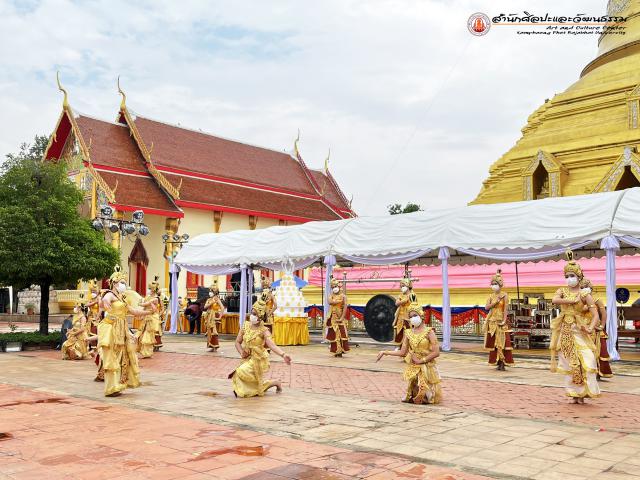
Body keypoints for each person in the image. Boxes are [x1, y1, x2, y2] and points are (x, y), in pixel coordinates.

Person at [550, 252, 601, 404]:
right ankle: (574, 393)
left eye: (572, 275)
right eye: (567, 276)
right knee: (569, 362)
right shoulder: (562, 291)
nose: (569, 279)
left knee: (588, 360)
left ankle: (585, 392)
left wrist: (591, 328)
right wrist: (571, 301)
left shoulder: (585, 294)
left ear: (579, 277)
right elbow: (554, 300)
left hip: (580, 330)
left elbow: (595, 314)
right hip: (565, 330)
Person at [98, 266, 150, 397]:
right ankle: (111, 388)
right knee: (111, 357)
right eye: (121, 282)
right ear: (114, 283)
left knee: (122, 357)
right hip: (111, 328)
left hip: (122, 330)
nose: (124, 285)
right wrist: (104, 300)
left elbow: (134, 311)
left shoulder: (122, 298)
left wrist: (149, 312)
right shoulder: (109, 294)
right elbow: (105, 300)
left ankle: (117, 385)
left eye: (125, 283)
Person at [377, 305, 442, 404]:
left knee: (426, 398)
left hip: (426, 364)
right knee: (415, 396)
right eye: (410, 317)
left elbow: (436, 352)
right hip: (414, 365)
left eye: (415, 316)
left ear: (421, 316)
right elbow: (402, 352)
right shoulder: (408, 333)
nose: (412, 319)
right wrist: (385, 352)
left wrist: (421, 360)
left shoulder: (429, 332)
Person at [229, 300, 292, 397]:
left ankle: (245, 390)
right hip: (247, 357)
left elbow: (272, 345)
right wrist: (241, 352)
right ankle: (275, 382)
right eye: (252, 313)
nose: (252, 315)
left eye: (255, 314)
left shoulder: (264, 330)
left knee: (240, 371)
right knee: (256, 384)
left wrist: (283, 354)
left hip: (258, 359)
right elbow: (237, 342)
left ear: (260, 317)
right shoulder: (245, 326)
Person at [579, 278, 613, 379]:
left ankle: (597, 372)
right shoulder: (579, 302)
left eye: (586, 287)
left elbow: (604, 314)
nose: (584, 289)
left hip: (595, 330)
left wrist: (602, 326)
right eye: (582, 288)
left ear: (591, 288)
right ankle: (584, 372)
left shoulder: (596, 300)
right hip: (583, 330)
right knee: (584, 352)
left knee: (597, 352)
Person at [483, 269, 514, 370]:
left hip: (501, 322)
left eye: (495, 283)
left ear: (500, 284)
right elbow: (486, 307)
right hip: (492, 322)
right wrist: (494, 303)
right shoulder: (491, 296)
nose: (493, 285)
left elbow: (505, 309)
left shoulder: (504, 295)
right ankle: (496, 360)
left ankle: (503, 362)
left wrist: (504, 320)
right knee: (494, 343)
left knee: (503, 342)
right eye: (492, 284)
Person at [325, 278, 350, 357]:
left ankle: (341, 350)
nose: (334, 288)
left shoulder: (343, 296)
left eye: (335, 286)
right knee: (334, 334)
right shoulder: (331, 295)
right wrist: (338, 301)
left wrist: (342, 317)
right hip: (332, 318)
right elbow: (330, 302)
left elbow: (345, 307)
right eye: (332, 287)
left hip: (340, 317)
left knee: (342, 334)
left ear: (339, 286)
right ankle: (336, 350)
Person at [136, 278, 160, 359]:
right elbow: (144, 307)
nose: (148, 290)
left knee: (148, 334)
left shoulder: (155, 298)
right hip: (146, 317)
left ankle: (147, 352)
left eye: (149, 288)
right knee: (142, 333)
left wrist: (140, 303)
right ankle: (143, 350)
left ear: (153, 289)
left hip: (151, 318)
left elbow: (145, 304)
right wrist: (140, 314)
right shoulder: (148, 297)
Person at [393, 278, 416, 345]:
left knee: (409, 330)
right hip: (400, 316)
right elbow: (396, 303)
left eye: (403, 286)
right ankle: (399, 346)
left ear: (408, 285)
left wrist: (402, 301)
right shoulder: (401, 295)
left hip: (409, 315)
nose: (402, 287)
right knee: (399, 330)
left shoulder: (413, 295)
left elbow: (414, 305)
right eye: (401, 286)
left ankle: (409, 346)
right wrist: (404, 300)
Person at [203, 283, 224, 351]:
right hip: (209, 315)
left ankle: (215, 346)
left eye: (211, 291)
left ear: (214, 292)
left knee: (214, 331)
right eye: (210, 291)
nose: (210, 292)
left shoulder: (217, 299)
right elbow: (205, 307)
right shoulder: (209, 299)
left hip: (214, 315)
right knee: (209, 331)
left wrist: (220, 317)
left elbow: (222, 308)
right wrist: (211, 303)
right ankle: (211, 345)